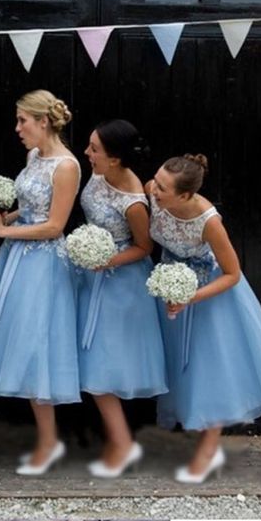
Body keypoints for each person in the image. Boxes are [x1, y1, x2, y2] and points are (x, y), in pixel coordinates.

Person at [146, 153, 261, 483]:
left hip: (209, 295)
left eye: (162, 187)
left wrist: (190, 297)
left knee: (208, 368)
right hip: (170, 287)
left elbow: (232, 273)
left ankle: (208, 449)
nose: (153, 189)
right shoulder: (153, 194)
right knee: (178, 365)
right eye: (155, 181)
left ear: (185, 195)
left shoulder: (209, 221)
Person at [0, 91, 81, 473]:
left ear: (43, 121)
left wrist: (2, 233)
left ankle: (49, 443)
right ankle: (43, 439)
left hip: (44, 266)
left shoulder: (67, 167)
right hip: (18, 258)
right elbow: (32, 211)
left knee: (37, 346)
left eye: (22, 121)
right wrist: (6, 217)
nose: (17, 129)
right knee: (18, 341)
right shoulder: (33, 158)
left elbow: (54, 226)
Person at [77, 121, 167, 477]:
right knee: (92, 360)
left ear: (114, 159)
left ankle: (122, 443)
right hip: (88, 276)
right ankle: (118, 441)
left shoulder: (133, 203)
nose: (87, 153)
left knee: (104, 363)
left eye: (94, 149)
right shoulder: (97, 175)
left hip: (120, 284)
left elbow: (145, 247)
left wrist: (106, 260)